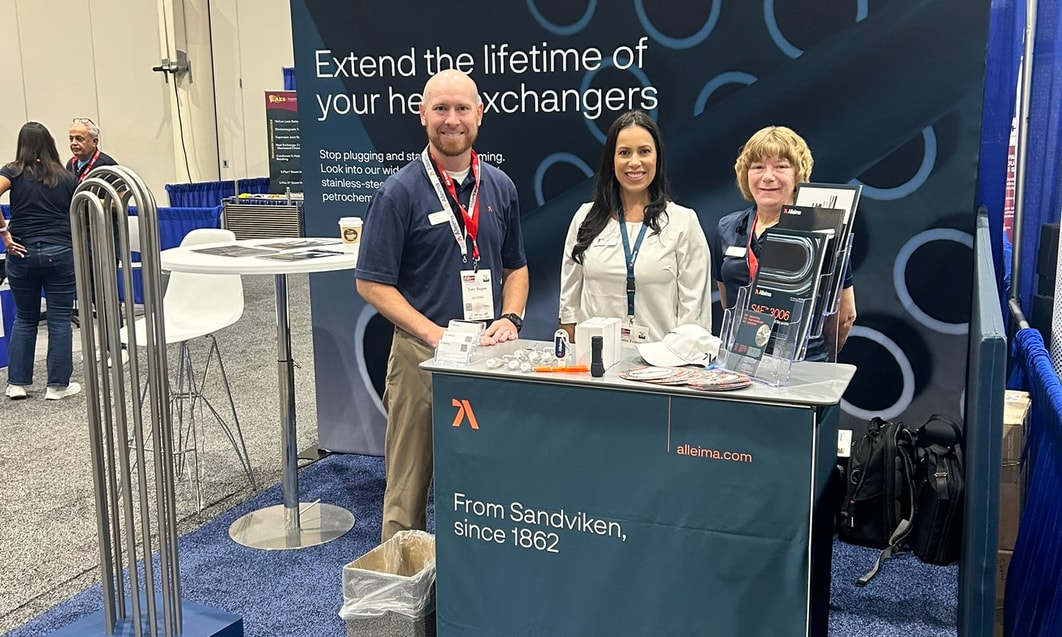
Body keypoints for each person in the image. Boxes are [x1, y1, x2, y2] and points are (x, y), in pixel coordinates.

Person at [356, 69, 528, 541]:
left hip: (487, 357)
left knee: (484, 482)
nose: (451, 120)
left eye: (461, 109)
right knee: (407, 489)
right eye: (440, 109)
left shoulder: (500, 187)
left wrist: (510, 317)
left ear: (480, 115)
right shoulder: (399, 192)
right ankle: (397, 603)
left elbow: (516, 267)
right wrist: (435, 334)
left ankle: (473, 591)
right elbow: (372, 284)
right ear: (422, 116)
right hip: (421, 356)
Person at [559, 110, 712, 344]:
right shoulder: (585, 218)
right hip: (594, 367)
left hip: (660, 369)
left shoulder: (683, 223)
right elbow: (568, 308)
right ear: (612, 160)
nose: (634, 162)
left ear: (657, 158)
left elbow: (695, 315)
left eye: (644, 151)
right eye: (624, 153)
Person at [710, 125, 857, 362]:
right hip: (740, 363)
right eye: (757, 167)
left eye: (781, 166)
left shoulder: (823, 230)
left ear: (798, 174)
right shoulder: (727, 228)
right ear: (745, 174)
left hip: (801, 368)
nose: (768, 176)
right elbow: (730, 301)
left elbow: (845, 315)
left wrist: (820, 362)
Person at [0, 122, 82, 400]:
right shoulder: (67, 177)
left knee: (25, 317)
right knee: (60, 319)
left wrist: (5, 234)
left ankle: (17, 384)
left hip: (21, 252)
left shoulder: (13, 171)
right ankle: (58, 386)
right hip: (60, 252)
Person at [66, 118, 119, 182]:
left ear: (94, 142)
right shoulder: (71, 164)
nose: (73, 143)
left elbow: (120, 191)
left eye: (79, 139)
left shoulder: (107, 165)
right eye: (71, 139)